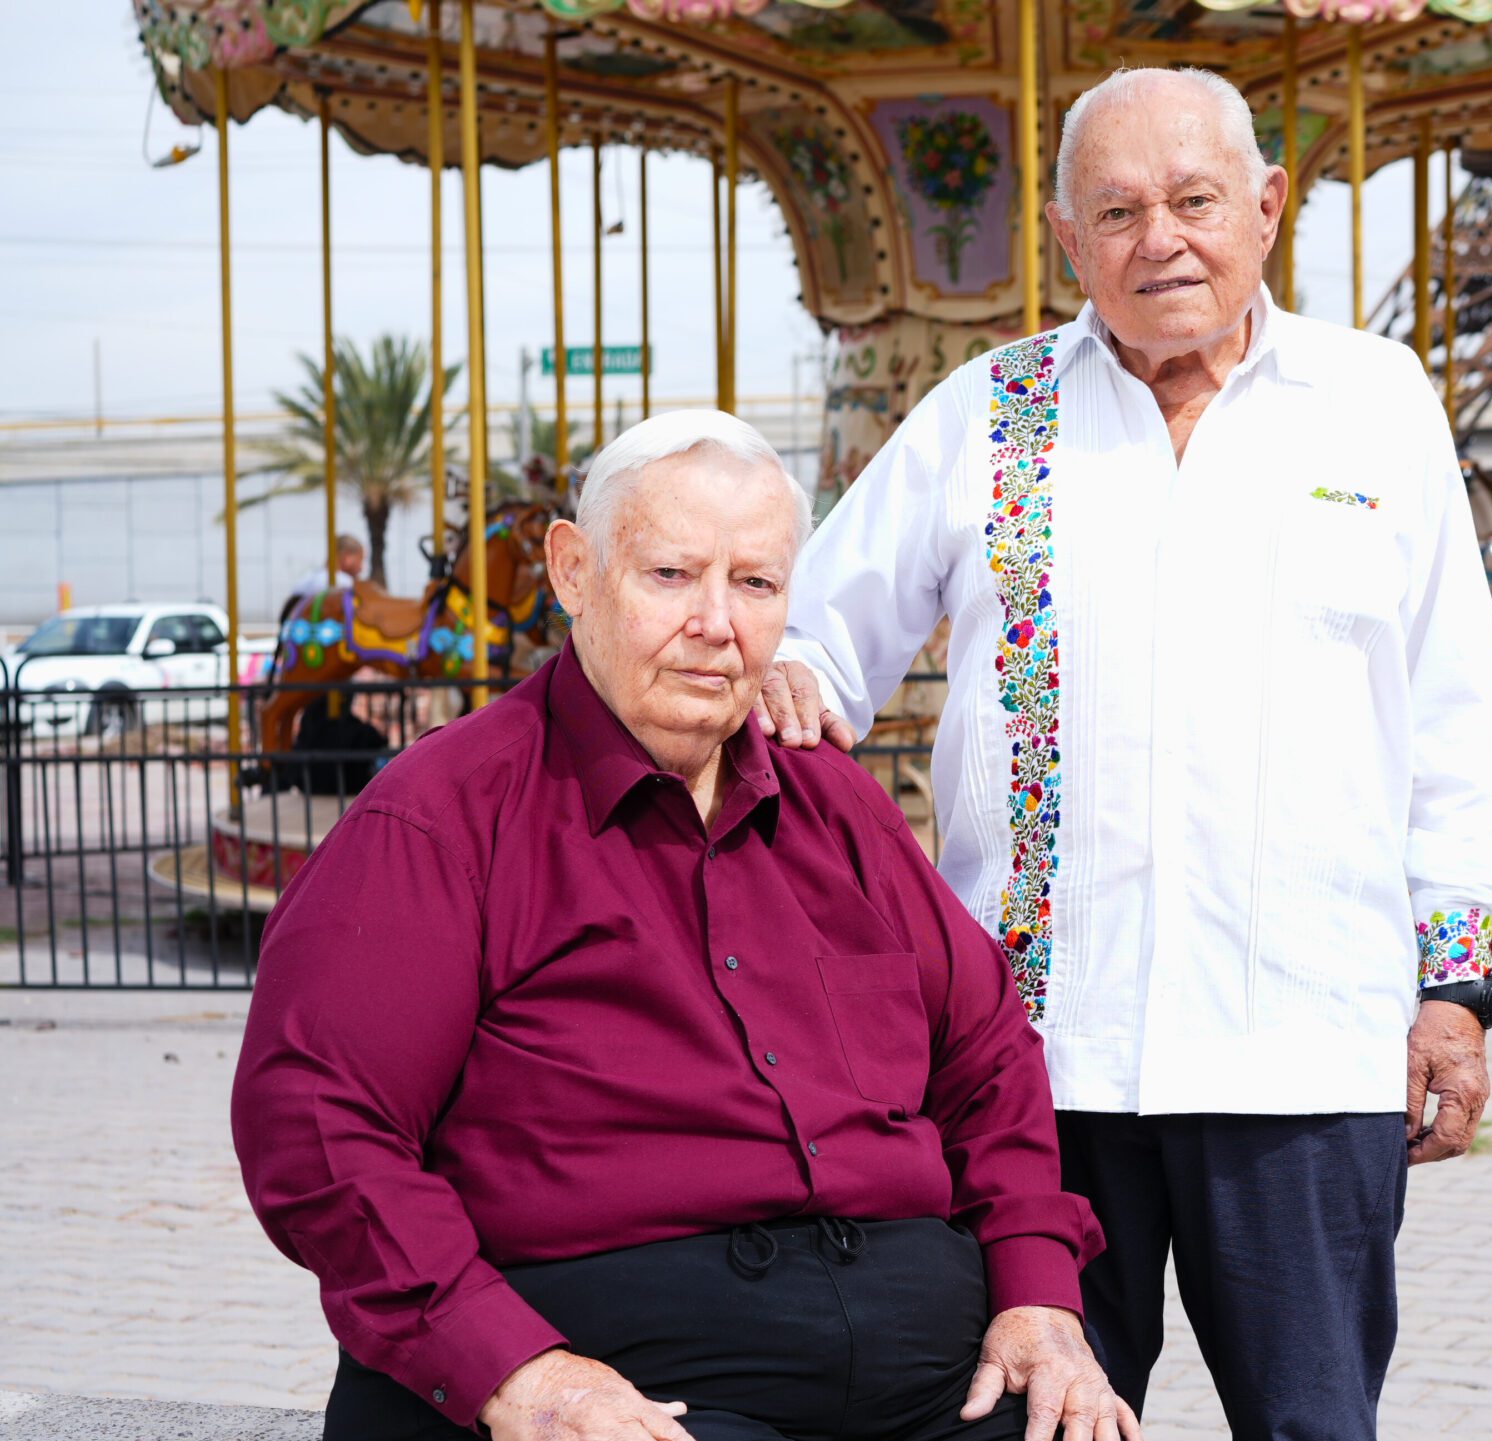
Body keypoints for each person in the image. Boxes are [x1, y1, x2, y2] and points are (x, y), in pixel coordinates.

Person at [758, 66, 1492, 1441]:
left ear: (1267, 209)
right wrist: (795, 680)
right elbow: (819, 634)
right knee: (1026, 1427)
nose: (1157, 237)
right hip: (1041, 1065)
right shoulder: (987, 415)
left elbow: (1455, 719)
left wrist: (1454, 990)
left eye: (1193, 199)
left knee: (1313, 1424)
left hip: (1304, 1051)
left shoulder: (1374, 403)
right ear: (1066, 241)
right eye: (1116, 210)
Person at [232, 411, 1133, 1441]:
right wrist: (518, 1371)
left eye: (754, 584)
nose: (718, 622)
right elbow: (317, 1125)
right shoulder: (442, 817)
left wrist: (1036, 1295)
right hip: (623, 1376)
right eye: (671, 575)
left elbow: (986, 1058)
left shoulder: (834, 805)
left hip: (928, 1374)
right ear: (574, 571)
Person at [282, 533, 366, 624]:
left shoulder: (304, 581)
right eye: (360, 560)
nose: (361, 568)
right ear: (346, 557)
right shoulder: (345, 584)